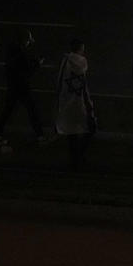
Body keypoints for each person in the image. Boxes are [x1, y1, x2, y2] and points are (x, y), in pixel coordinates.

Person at [0, 29, 45, 141]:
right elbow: (28, 69)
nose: (28, 43)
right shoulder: (21, 52)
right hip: (22, 86)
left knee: (8, 110)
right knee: (32, 110)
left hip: (13, 85)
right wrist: (38, 63)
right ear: (24, 40)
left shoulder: (12, 51)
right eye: (28, 41)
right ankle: (40, 135)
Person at [55, 39, 95, 171]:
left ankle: (74, 159)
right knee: (90, 128)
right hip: (79, 101)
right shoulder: (82, 63)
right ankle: (79, 156)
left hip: (66, 101)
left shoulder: (66, 61)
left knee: (71, 133)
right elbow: (83, 83)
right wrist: (88, 101)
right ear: (81, 49)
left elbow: (60, 82)